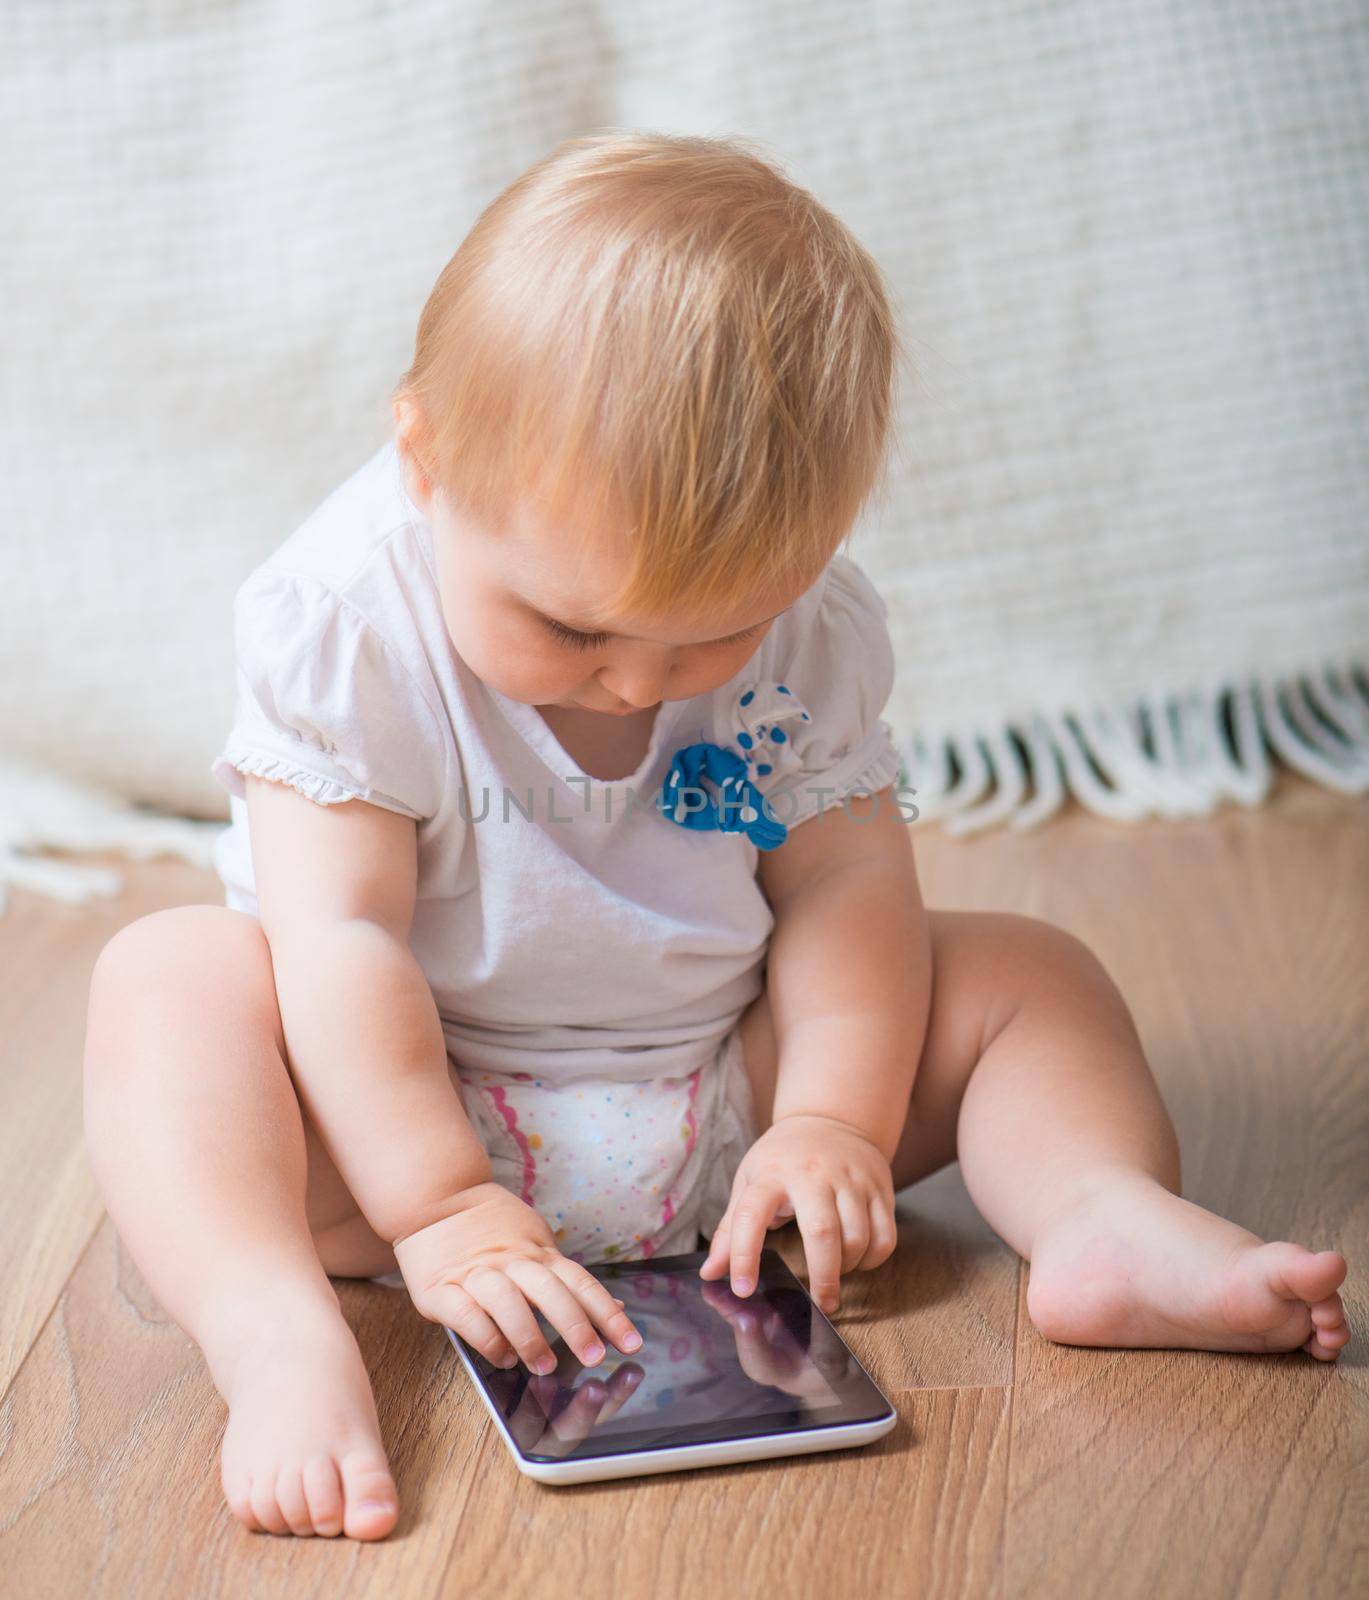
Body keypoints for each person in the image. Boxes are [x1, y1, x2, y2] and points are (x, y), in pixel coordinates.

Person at [81, 130, 1350, 1544]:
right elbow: (343, 937)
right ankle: (268, 1325)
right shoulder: (344, 627)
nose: (634, 682)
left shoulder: (813, 627)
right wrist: (439, 1205)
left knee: (1023, 978)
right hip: (395, 1131)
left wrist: (827, 1117)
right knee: (174, 984)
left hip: (730, 1107)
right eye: (568, 628)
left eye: (711, 637)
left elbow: (847, 881)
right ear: (425, 456)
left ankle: (1095, 1215)